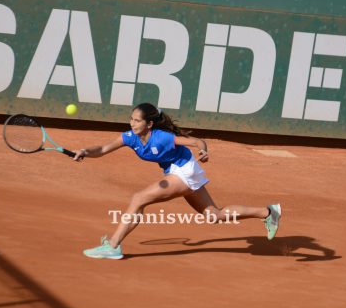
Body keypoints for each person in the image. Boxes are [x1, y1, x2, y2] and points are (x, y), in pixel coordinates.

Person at [73, 103, 281, 260]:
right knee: (214, 216)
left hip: (185, 170)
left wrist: (203, 151)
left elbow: (197, 142)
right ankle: (268, 212)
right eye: (131, 119)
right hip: (176, 171)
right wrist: (84, 151)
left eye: (137, 120)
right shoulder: (130, 137)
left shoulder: (161, 137)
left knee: (138, 199)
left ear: (149, 124)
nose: (132, 123)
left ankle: (113, 245)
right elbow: (101, 149)